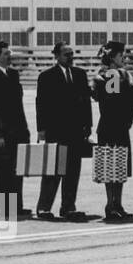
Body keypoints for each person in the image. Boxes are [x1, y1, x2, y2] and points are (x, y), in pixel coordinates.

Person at [35, 41, 93, 220]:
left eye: (72, 54)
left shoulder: (80, 74)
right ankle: (44, 207)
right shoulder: (46, 76)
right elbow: (41, 104)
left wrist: (88, 126)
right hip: (56, 131)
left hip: (76, 131)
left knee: (72, 171)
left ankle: (68, 207)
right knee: (52, 170)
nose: (71, 57)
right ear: (57, 56)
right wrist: (41, 129)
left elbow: (86, 102)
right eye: (67, 54)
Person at [90, 40, 133, 222]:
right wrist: (128, 116)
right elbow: (120, 99)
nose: (124, 58)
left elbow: (99, 96)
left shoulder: (106, 75)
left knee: (116, 166)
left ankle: (115, 204)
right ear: (113, 57)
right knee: (114, 166)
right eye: (121, 55)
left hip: (111, 125)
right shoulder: (114, 75)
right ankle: (112, 204)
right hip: (115, 125)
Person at [0, 40, 32, 220]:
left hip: (18, 131)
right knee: (2, 172)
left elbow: (19, 106)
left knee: (17, 170)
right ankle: (3, 209)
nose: (9, 56)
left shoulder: (14, 75)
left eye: (9, 53)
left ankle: (17, 207)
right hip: (2, 134)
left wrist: (26, 131)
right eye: (5, 54)